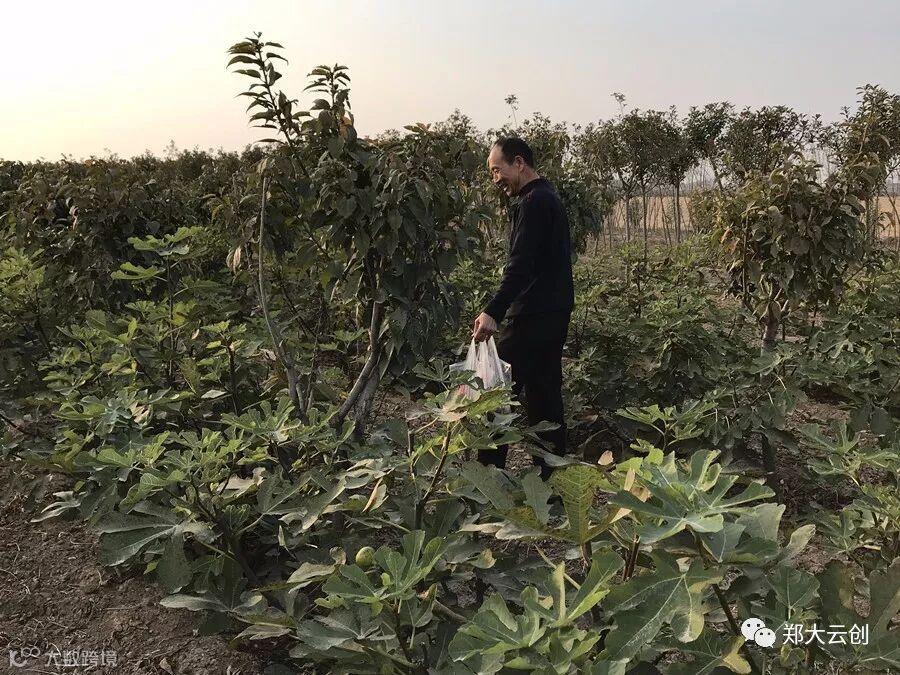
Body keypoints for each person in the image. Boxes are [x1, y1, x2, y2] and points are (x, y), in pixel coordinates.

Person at [472, 137, 573, 479]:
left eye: (496, 170)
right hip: (553, 313)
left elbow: (520, 266)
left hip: (530, 315)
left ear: (519, 163)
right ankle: (552, 482)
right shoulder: (549, 197)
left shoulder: (533, 202)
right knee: (545, 398)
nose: (495, 179)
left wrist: (493, 310)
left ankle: (486, 481)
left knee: (497, 395)